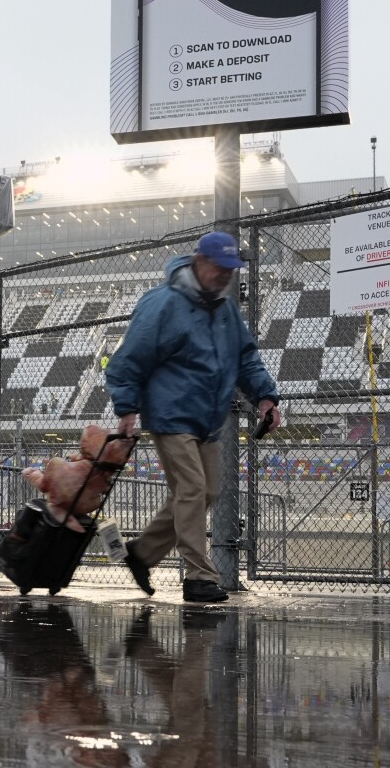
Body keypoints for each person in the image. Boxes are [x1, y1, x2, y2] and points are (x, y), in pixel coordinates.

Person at [105, 231, 281, 603]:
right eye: (220, 268)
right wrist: (127, 409)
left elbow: (246, 357)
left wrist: (265, 397)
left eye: (232, 270)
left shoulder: (225, 308)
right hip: (170, 413)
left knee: (208, 491)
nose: (226, 276)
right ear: (199, 261)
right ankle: (199, 578)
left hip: (207, 418)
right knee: (192, 489)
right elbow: (127, 359)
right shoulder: (163, 303)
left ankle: (142, 554)